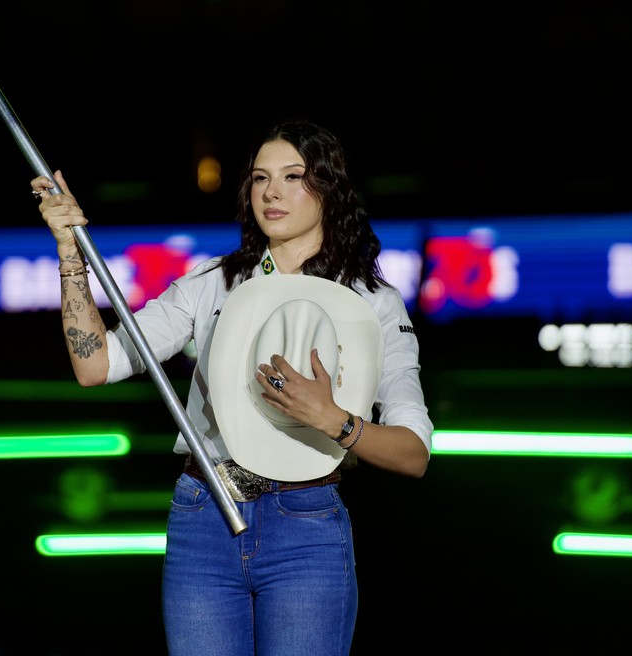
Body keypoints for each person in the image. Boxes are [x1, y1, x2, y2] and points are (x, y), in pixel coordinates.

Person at [30, 119, 433, 656]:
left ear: (330, 189)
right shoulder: (211, 281)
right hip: (204, 515)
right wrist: (69, 253)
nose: (272, 191)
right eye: (260, 177)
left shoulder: (373, 301)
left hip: (306, 525)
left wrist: (332, 418)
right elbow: (96, 365)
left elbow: (414, 454)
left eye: (294, 177)